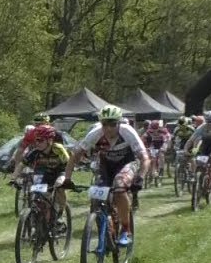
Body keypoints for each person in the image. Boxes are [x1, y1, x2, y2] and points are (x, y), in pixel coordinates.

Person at [64, 105, 150, 246]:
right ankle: (105, 227)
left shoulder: (127, 131)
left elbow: (144, 158)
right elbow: (75, 156)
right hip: (105, 166)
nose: (108, 128)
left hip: (126, 163)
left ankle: (126, 231)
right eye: (105, 124)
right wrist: (67, 179)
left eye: (112, 124)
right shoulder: (96, 133)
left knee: (120, 186)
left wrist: (140, 177)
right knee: (96, 196)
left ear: (119, 123)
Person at [18, 125, 70, 225]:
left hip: (59, 172)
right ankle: (40, 226)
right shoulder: (35, 152)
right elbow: (22, 164)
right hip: (44, 174)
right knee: (40, 197)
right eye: (36, 140)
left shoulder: (58, 149)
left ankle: (61, 214)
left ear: (49, 140)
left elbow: (68, 164)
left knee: (59, 185)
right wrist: (14, 178)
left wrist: (66, 178)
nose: (37, 143)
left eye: (41, 140)